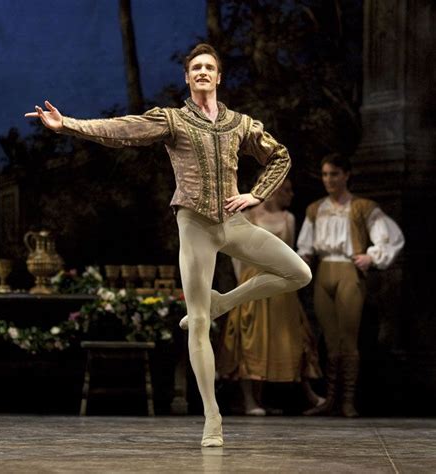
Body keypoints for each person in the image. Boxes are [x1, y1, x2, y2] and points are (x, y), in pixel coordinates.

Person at [25, 43, 312, 447]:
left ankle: (224, 301)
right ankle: (213, 418)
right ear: (187, 77)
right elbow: (121, 130)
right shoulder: (173, 120)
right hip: (195, 224)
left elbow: (280, 156)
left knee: (299, 272)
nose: (202, 72)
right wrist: (68, 124)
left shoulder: (240, 124)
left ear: (219, 76)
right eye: (195, 67)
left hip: (233, 221)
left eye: (209, 67)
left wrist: (256, 194)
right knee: (197, 323)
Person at [297, 154, 404, 417]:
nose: (329, 180)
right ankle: (331, 400)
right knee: (331, 340)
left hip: (348, 271)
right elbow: (305, 247)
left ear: (346, 175)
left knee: (348, 339)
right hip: (324, 272)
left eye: (334, 174)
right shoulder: (315, 209)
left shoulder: (362, 207)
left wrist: (373, 256)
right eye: (325, 174)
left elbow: (391, 237)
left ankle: (347, 400)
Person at [216, 179, 324, 415]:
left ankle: (273, 397)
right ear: (273, 190)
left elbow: (290, 252)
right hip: (254, 278)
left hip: (280, 282)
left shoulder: (289, 219)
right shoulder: (247, 215)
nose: (291, 194)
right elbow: (237, 254)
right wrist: (242, 283)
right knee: (252, 335)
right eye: (287, 189)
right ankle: (249, 399)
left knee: (286, 336)